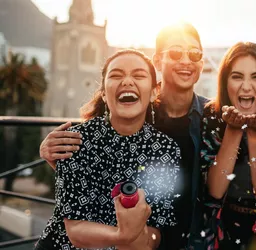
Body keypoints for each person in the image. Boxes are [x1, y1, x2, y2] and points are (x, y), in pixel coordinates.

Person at [39, 22, 209, 249]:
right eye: (116, 75)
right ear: (103, 92)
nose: (127, 81)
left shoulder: (168, 147)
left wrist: (134, 236)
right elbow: (75, 229)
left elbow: (155, 233)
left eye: (138, 75)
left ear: (153, 92)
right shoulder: (77, 139)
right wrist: (124, 235)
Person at [200, 42, 256, 249]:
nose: (246, 86)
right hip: (221, 228)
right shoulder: (212, 115)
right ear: (225, 81)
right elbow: (215, 190)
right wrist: (233, 129)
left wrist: (255, 134)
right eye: (237, 76)